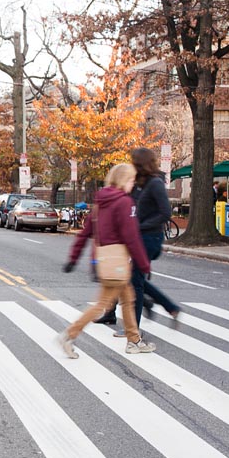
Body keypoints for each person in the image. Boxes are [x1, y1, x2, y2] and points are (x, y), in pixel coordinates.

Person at [59, 163, 155, 358]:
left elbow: (85, 233)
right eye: (130, 180)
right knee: (102, 304)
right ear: (122, 180)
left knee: (128, 299)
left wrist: (73, 258)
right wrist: (144, 264)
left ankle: (134, 340)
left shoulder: (100, 202)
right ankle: (69, 335)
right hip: (117, 263)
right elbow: (132, 237)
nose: (132, 184)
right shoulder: (125, 203)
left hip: (104, 260)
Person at [94, 148, 180, 329]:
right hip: (135, 236)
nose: (131, 165)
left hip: (150, 239)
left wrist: (138, 226)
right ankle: (164, 306)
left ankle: (133, 329)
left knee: (134, 281)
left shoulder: (155, 183)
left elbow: (165, 213)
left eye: (134, 162)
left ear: (141, 164)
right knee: (124, 276)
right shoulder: (137, 183)